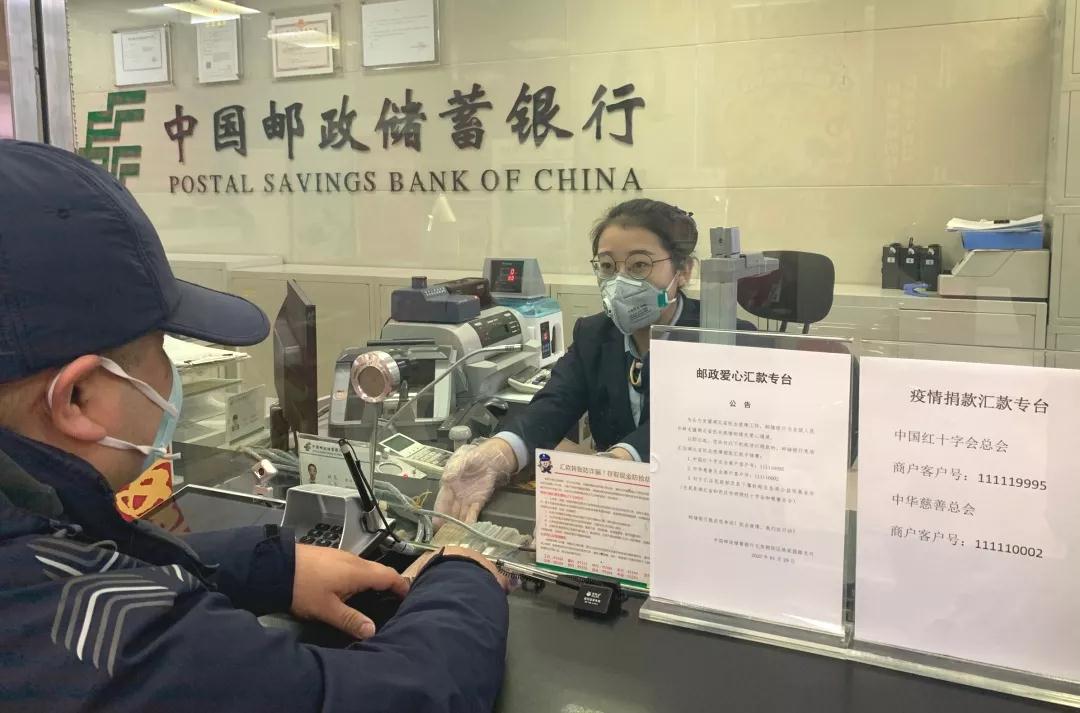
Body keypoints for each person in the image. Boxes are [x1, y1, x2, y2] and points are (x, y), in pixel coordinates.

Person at [0, 140, 509, 712]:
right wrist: (462, 577)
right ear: (78, 397)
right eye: (161, 347)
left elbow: (86, 538)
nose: (170, 372)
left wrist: (269, 568)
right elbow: (399, 697)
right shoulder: (90, 633)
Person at [436, 199, 753, 523]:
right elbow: (553, 404)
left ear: (683, 271)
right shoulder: (594, 334)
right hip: (618, 515)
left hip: (700, 513)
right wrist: (499, 453)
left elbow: (697, 427)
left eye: (639, 265)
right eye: (607, 267)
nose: (620, 282)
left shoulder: (726, 338)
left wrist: (619, 461)